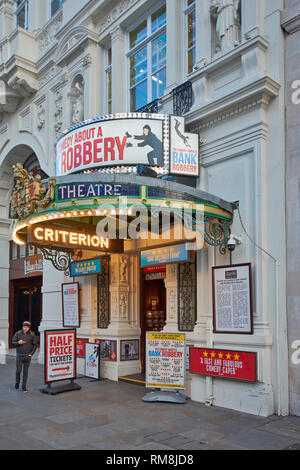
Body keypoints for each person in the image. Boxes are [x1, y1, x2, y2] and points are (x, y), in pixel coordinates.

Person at [12, 321, 38, 392]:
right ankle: (17, 383)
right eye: (24, 327)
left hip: (27, 355)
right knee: (18, 371)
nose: (25, 328)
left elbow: (35, 345)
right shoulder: (18, 333)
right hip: (19, 355)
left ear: (29, 328)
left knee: (25, 372)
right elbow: (12, 343)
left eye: (26, 327)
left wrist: (31, 354)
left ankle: (24, 386)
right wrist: (18, 342)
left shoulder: (32, 334)